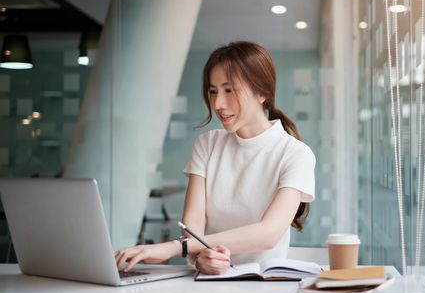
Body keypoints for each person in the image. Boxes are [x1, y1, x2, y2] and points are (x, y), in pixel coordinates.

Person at [115, 41, 316, 275]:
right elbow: (193, 225)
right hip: (207, 284)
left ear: (262, 92)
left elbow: (269, 233)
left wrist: (175, 247)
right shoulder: (207, 144)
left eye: (229, 90)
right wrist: (201, 257)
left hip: (265, 287)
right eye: (213, 91)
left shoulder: (295, 154)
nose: (218, 104)